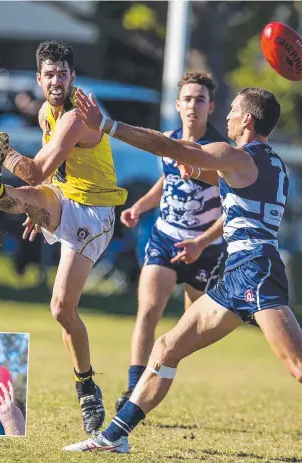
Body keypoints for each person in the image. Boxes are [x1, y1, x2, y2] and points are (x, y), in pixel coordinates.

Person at [63, 87, 302, 453]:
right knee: (167, 346)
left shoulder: (234, 155)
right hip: (237, 273)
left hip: (256, 271)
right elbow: (217, 177)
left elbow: (173, 150)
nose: (228, 117)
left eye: (233, 111)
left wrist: (107, 125)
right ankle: (114, 437)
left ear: (247, 120)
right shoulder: (271, 163)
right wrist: (196, 170)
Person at [0, 41, 127, 433]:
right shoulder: (45, 113)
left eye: (62, 74)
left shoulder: (75, 116)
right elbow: (49, 173)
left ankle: (87, 386)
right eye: (49, 75)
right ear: (39, 79)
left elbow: (34, 170)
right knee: (20, 196)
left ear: (73, 77)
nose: (56, 81)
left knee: (61, 310)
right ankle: (5, 196)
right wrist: (41, 209)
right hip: (66, 198)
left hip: (95, 212)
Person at [115, 71, 226, 411]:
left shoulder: (221, 152)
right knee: (148, 310)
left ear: (211, 107)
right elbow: (166, 181)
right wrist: (139, 206)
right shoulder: (167, 140)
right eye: (188, 99)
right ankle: (135, 389)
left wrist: (202, 242)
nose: (193, 105)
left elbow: (231, 210)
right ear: (178, 105)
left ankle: (160, 378)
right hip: (166, 239)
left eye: (200, 100)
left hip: (205, 251)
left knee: (189, 332)